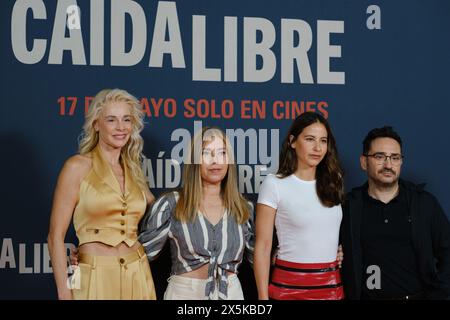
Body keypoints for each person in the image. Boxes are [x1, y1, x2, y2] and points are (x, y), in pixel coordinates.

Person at [47, 89, 156, 300]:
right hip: (93, 276)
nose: (121, 127)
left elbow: (163, 213)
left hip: (138, 274)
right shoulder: (77, 166)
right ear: (96, 124)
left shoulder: (134, 171)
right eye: (111, 120)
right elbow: (55, 236)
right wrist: (64, 292)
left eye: (126, 119)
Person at [138, 126, 255, 300]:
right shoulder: (172, 204)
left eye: (222, 153)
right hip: (184, 294)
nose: (215, 160)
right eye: (206, 153)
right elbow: (140, 254)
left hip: (232, 293)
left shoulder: (244, 208)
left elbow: (260, 256)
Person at [340, 126, 450, 300]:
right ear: (363, 162)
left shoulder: (424, 204)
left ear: (401, 162)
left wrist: (438, 295)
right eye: (379, 156)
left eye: (395, 158)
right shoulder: (348, 207)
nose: (388, 165)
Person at [254, 111, 345, 300]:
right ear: (293, 141)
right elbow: (263, 247)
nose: (317, 148)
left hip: (331, 288)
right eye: (310, 139)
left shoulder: (334, 181)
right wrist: (262, 300)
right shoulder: (274, 184)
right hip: (288, 288)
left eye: (323, 141)